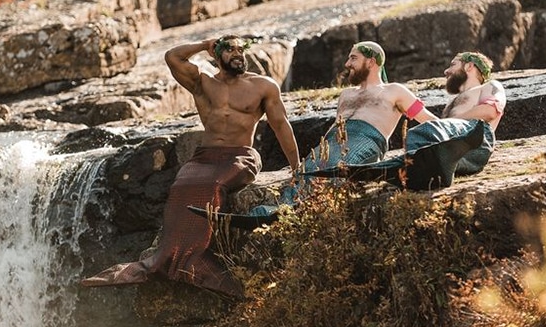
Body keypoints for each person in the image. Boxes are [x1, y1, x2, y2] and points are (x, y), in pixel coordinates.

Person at [81, 34, 301, 298]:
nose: (237, 53)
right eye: (230, 49)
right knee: (182, 185)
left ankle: (194, 260)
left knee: (212, 186)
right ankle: (168, 260)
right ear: (216, 55)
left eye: (241, 49)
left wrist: (296, 168)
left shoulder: (263, 86)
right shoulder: (202, 82)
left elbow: (281, 126)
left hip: (240, 156)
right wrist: (203, 44)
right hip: (205, 156)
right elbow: (172, 57)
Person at [246, 41, 438, 216]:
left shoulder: (394, 90)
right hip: (334, 141)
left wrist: (456, 130)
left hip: (368, 139)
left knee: (336, 168)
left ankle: (292, 210)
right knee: (307, 170)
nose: (347, 64)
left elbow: (427, 118)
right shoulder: (346, 94)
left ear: (371, 62)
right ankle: (282, 207)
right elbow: (336, 126)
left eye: (353, 58)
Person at [307, 51, 505, 190]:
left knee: (428, 130)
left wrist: (443, 124)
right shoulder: (452, 104)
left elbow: (490, 110)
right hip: (456, 151)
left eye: (452, 64)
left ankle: (415, 162)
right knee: (421, 137)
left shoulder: (490, 86)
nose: (446, 71)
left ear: (470, 66)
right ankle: (421, 169)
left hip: (476, 139)